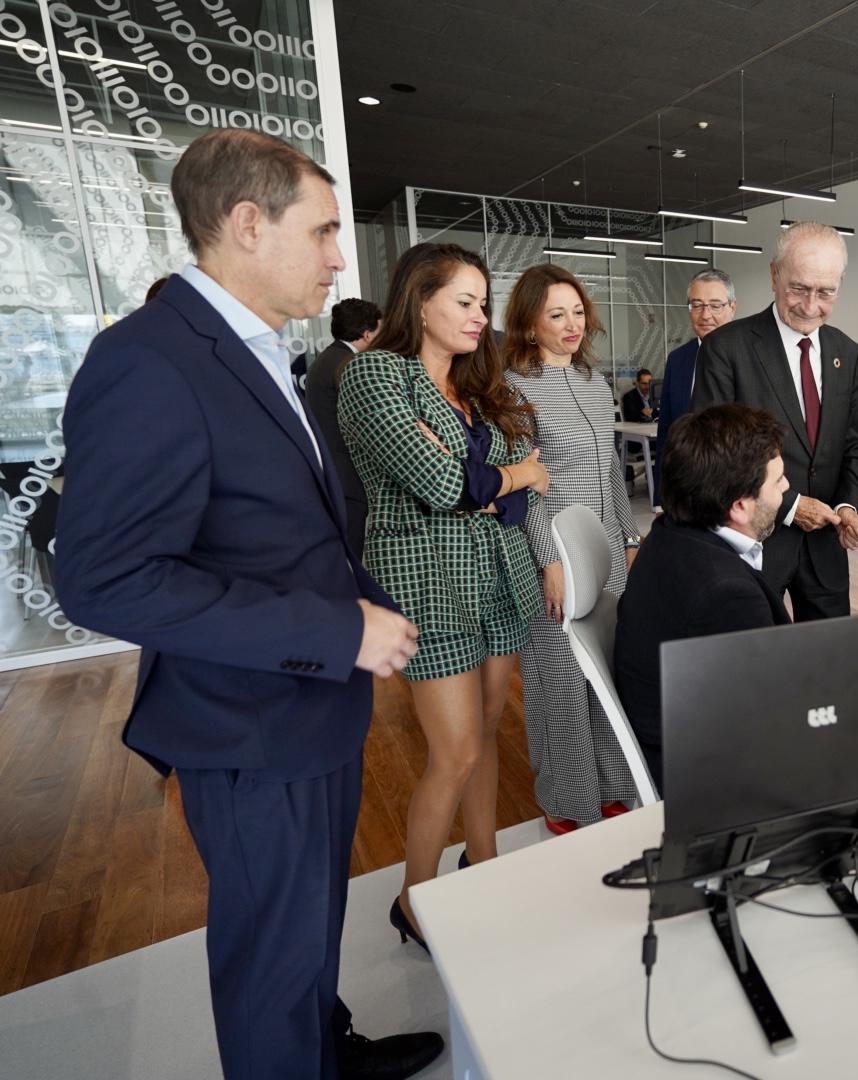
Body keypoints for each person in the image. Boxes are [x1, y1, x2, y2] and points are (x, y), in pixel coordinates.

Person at [53, 129, 439, 1080]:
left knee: (306, 930)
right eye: (324, 232)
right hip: (247, 730)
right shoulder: (148, 361)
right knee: (269, 960)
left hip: (305, 712)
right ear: (247, 224)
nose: (340, 257)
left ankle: (326, 1052)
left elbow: (288, 525)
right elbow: (106, 575)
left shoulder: (259, 350)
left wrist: (366, 604)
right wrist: (333, 629)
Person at [338, 243, 547, 953]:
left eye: (484, 304)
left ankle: (483, 863)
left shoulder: (474, 388)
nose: (480, 316)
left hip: (498, 576)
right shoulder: (376, 375)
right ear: (418, 300)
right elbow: (446, 485)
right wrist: (504, 477)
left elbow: (510, 496)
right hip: (426, 583)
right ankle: (414, 901)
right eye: (465, 301)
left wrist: (497, 482)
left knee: (487, 733)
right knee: (453, 751)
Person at [503, 264, 641, 833]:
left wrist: (629, 539)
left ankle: (610, 786)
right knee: (559, 681)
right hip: (555, 551)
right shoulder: (513, 387)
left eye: (577, 311)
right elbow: (525, 482)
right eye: (555, 314)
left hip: (604, 548)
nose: (571, 324)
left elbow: (609, 467)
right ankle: (565, 800)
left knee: (607, 672)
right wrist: (548, 562)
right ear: (529, 324)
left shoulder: (593, 382)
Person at [689, 222, 858, 619]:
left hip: (826, 548)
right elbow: (712, 457)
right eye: (799, 288)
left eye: (826, 292)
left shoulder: (848, 352)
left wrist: (847, 505)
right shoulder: (726, 349)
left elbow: (856, 445)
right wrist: (790, 506)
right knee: (754, 665)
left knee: (828, 667)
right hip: (753, 545)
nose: (810, 306)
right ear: (774, 275)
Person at [614, 403, 792, 785]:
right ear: (740, 506)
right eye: (777, 482)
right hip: (714, 778)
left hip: (680, 737)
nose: (786, 488)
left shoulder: (667, 533)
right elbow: (765, 720)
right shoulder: (727, 594)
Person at [655, 268, 736, 503]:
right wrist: (661, 497)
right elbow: (667, 431)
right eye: (697, 305)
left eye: (715, 305)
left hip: (734, 490)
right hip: (686, 488)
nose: (705, 315)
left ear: (732, 307)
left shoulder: (753, 356)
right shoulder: (678, 359)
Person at [307, 296, 381, 551]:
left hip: (331, 469)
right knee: (350, 549)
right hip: (345, 474)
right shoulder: (349, 365)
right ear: (367, 333)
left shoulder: (328, 358)